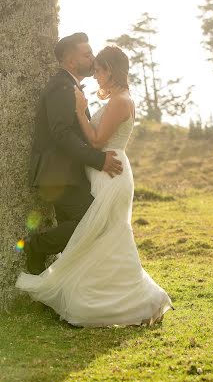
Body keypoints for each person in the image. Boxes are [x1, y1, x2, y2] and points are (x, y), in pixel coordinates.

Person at [16, 44, 173, 327]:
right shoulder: (115, 99)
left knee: (103, 232)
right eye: (91, 62)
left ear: (110, 70)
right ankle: (89, 297)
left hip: (110, 172)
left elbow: (98, 142)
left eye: (99, 67)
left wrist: (79, 110)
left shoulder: (121, 101)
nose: (95, 72)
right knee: (101, 235)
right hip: (100, 174)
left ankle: (133, 300)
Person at [22, 33, 123, 275]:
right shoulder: (61, 86)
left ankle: (64, 293)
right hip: (58, 175)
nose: (93, 57)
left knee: (78, 236)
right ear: (70, 61)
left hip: (67, 175)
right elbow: (61, 133)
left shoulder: (70, 86)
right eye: (87, 54)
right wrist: (99, 160)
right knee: (93, 224)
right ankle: (34, 246)